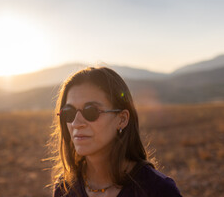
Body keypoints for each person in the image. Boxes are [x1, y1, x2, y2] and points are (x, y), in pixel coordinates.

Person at [49, 67, 182, 197]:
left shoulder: (158, 190)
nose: (76, 123)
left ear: (122, 119)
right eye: (68, 113)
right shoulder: (65, 189)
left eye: (91, 111)